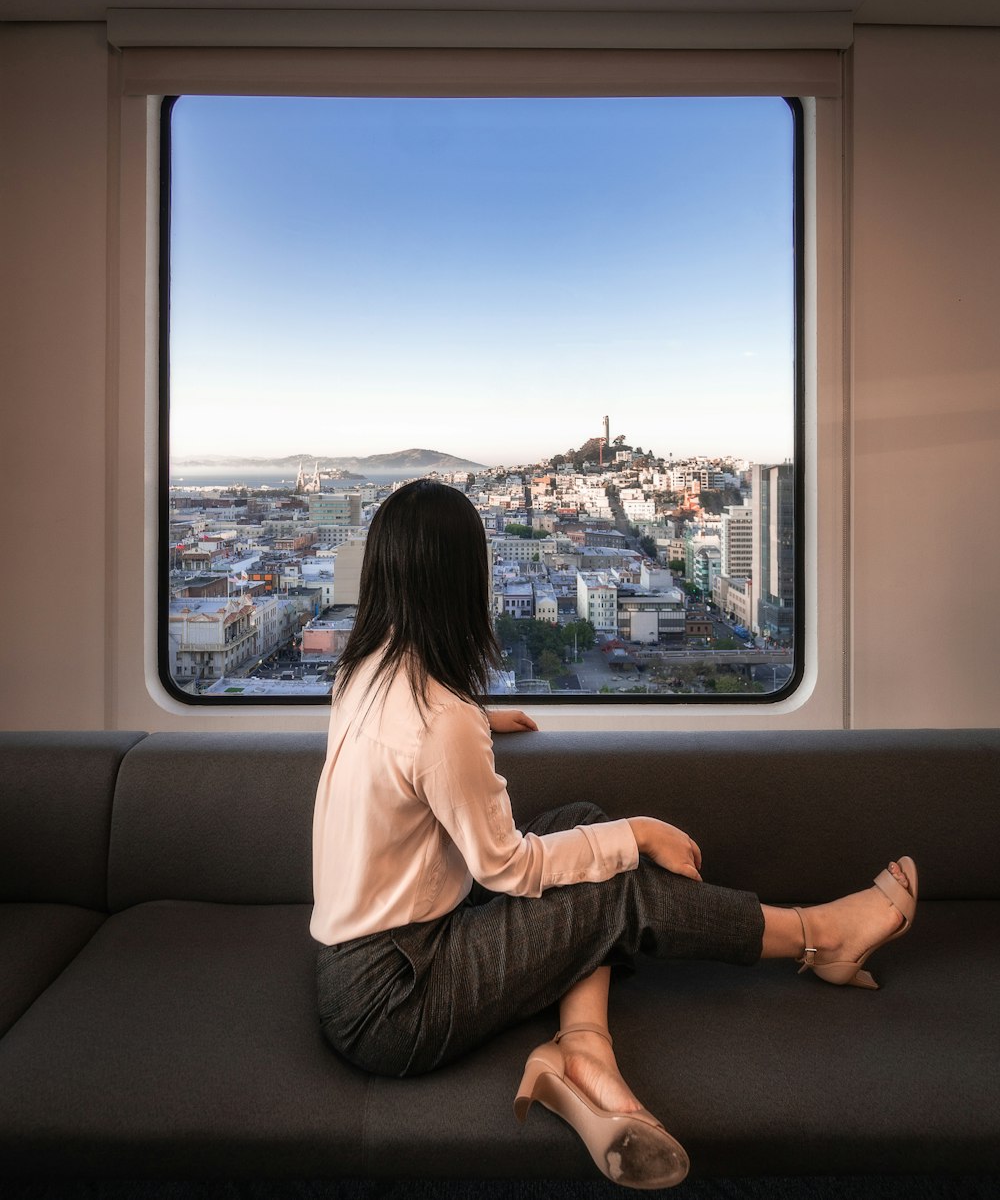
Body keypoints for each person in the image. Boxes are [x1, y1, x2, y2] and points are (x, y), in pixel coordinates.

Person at [310, 478, 918, 1190]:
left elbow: (419, 754)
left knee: (579, 824)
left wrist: (476, 723)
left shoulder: (367, 670)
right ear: (462, 581)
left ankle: (581, 1051)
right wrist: (642, 831)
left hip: (358, 965)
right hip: (394, 1005)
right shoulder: (439, 720)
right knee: (612, 883)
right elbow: (506, 867)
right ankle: (820, 937)